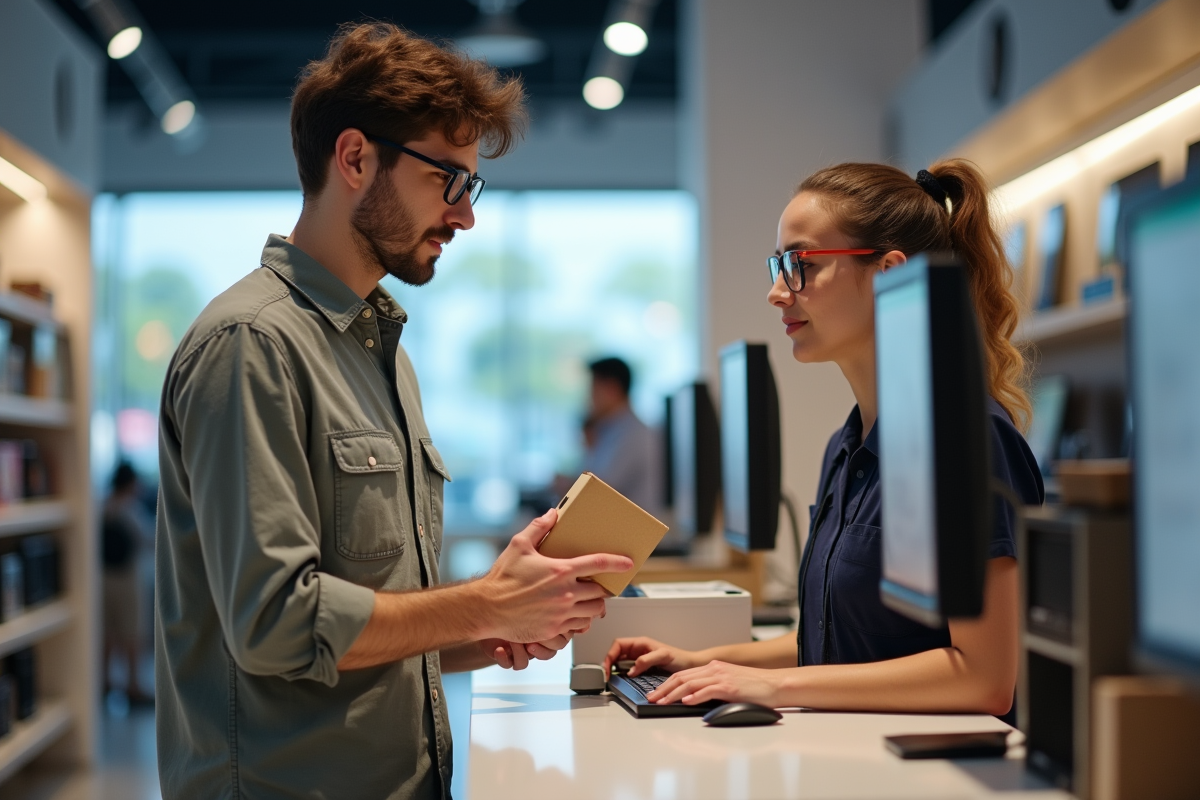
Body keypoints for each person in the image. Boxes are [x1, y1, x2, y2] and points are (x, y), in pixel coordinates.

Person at [155, 23, 632, 800]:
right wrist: (481, 603)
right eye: (450, 179)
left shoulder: (379, 347)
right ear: (354, 158)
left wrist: (488, 626)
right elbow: (277, 625)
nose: (465, 215)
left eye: (471, 186)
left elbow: (369, 624)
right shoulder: (251, 345)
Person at [604, 160, 1043, 723]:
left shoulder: (969, 442)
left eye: (799, 266)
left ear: (888, 274)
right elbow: (836, 640)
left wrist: (774, 686)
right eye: (778, 266)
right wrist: (706, 661)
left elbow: (984, 678)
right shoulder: (848, 444)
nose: (776, 292)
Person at [578, 357, 662, 516]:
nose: (588, 399)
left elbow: (593, 494)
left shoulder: (633, 435)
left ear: (612, 389)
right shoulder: (610, 432)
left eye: (593, 390)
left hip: (630, 534)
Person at [101, 460, 152, 705]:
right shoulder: (130, 509)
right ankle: (133, 685)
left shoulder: (102, 505)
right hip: (127, 579)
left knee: (107, 633)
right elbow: (146, 539)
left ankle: (104, 681)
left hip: (103, 578)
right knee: (132, 633)